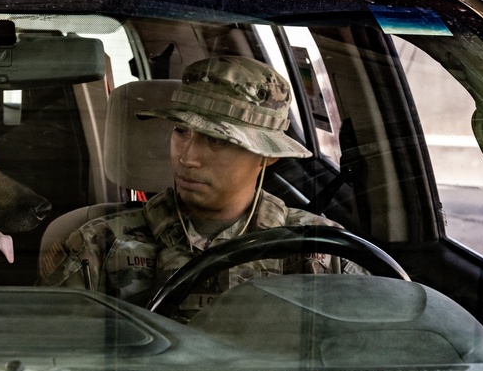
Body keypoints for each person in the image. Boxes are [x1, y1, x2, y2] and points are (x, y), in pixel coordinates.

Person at [37, 55, 365, 321]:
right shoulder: (99, 245)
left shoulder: (320, 250)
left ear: (266, 157)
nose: (188, 157)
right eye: (181, 131)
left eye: (217, 140)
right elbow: (49, 363)